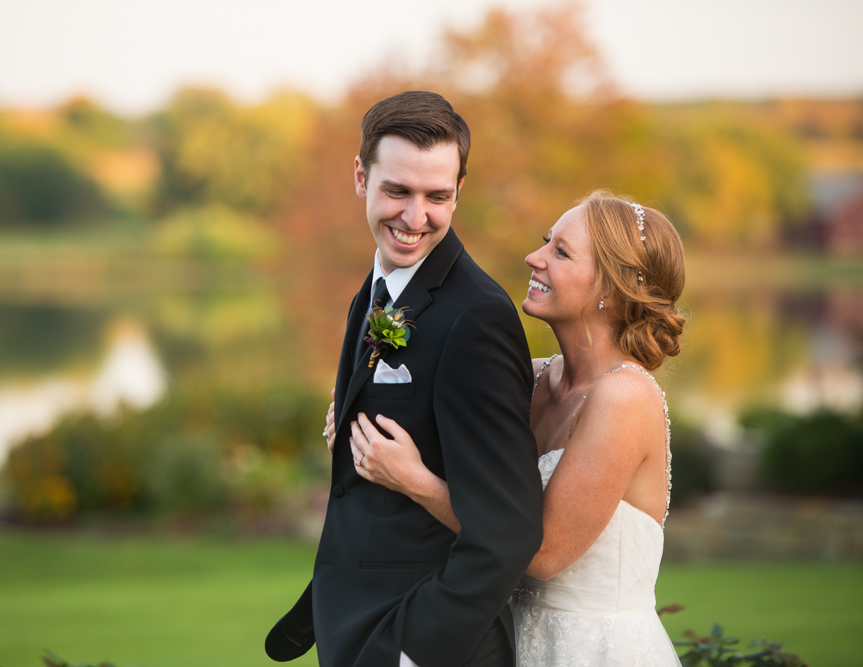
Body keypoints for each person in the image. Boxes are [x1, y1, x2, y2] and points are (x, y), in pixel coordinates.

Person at [343, 191, 687, 666]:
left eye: (560, 252)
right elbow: (433, 442)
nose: (534, 257)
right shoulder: (530, 379)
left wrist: (415, 482)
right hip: (505, 641)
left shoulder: (625, 397)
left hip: (593, 649)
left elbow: (543, 552)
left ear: (611, 287)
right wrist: (355, 421)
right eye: (547, 241)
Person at [265, 91, 544, 667]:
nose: (415, 218)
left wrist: (411, 652)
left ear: (459, 192)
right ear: (361, 177)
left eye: (437, 196)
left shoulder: (477, 316)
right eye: (398, 191)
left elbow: (507, 531)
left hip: (425, 643)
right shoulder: (373, 295)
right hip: (357, 623)